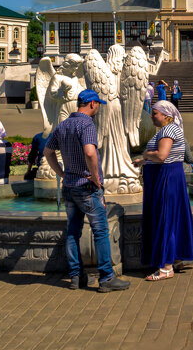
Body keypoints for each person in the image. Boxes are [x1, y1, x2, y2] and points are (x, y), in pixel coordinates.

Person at [43, 89, 130, 292]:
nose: (98, 107)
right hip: (87, 187)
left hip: (69, 187)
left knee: (73, 232)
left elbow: (47, 152)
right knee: (100, 232)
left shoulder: (63, 125)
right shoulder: (87, 124)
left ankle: (75, 276)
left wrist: (62, 174)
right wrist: (96, 178)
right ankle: (106, 277)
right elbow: (90, 152)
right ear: (92, 104)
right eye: (98, 104)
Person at [135, 100, 193, 281]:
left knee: (166, 218)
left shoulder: (169, 130)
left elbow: (162, 156)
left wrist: (146, 155)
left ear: (166, 115)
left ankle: (166, 267)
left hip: (166, 177)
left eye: (155, 113)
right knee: (173, 217)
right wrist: (143, 161)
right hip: (169, 176)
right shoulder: (168, 130)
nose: (152, 116)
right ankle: (175, 258)